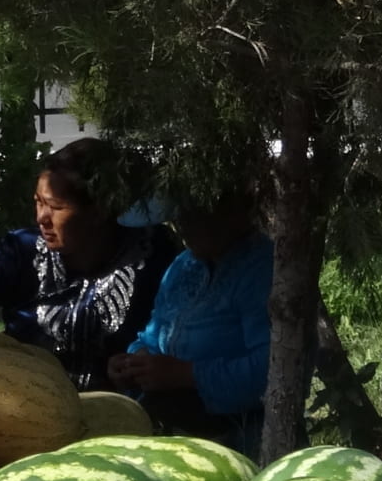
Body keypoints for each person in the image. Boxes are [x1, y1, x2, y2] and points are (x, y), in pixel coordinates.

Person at [0, 137, 177, 391]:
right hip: (18, 407)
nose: (41, 217)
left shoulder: (153, 257)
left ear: (99, 212)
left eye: (55, 207)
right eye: (38, 202)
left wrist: (139, 365)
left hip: (119, 416)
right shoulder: (21, 252)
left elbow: (182, 341)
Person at [108, 187, 272, 453]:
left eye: (192, 214)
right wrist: (134, 361)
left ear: (233, 211)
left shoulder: (264, 270)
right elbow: (152, 336)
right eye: (178, 215)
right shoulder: (183, 266)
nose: (182, 225)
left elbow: (273, 372)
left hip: (241, 442)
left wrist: (187, 375)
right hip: (175, 436)